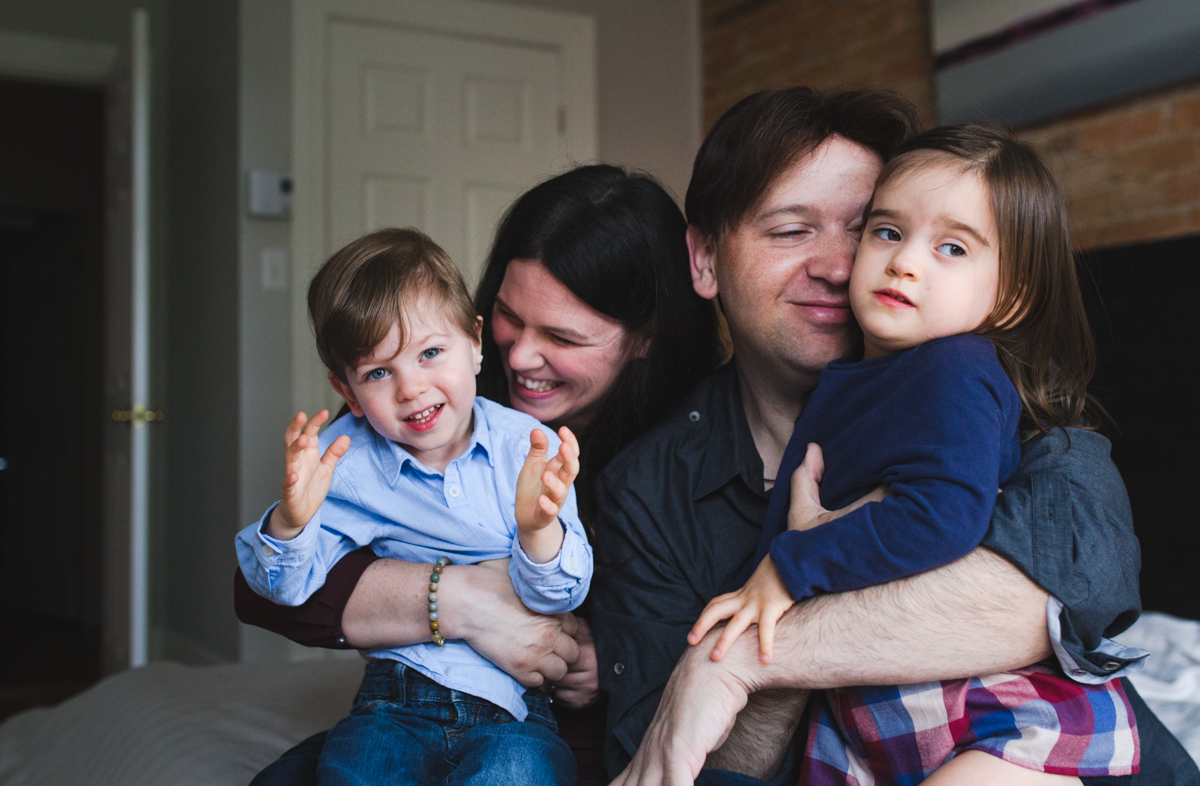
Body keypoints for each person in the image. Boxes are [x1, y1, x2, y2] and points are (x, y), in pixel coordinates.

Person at [593, 86, 1197, 786]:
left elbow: (1072, 589)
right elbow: (668, 764)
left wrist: (761, 649)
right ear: (703, 260)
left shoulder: (1014, 405)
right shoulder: (646, 492)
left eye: (858, 229)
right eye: (793, 231)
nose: (842, 265)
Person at [233, 164, 724, 785]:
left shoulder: (686, 449)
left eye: (561, 336)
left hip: (551, 735)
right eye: (510, 317)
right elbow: (263, 593)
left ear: (645, 339)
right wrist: (457, 601)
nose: (520, 356)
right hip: (408, 712)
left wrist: (618, 661)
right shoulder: (419, 405)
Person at [237, 227, 593, 785]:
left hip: (513, 711)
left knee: (522, 772)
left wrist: (537, 531)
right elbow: (282, 590)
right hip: (395, 702)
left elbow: (563, 593)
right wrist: (293, 521)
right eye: (379, 372)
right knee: (358, 769)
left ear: (475, 343)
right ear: (348, 391)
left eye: (430, 353)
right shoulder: (347, 463)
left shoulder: (525, 447)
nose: (411, 388)